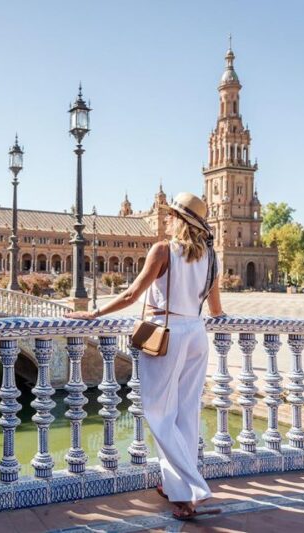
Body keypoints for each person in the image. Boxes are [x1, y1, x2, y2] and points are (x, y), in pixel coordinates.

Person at [66, 192, 225, 521]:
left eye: (170, 215)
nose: (165, 218)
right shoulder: (211, 256)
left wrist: (94, 313)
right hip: (197, 335)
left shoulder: (163, 250)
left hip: (166, 336)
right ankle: (177, 489)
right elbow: (216, 308)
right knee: (186, 414)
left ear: (179, 221)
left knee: (158, 413)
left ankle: (194, 488)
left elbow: (131, 294)